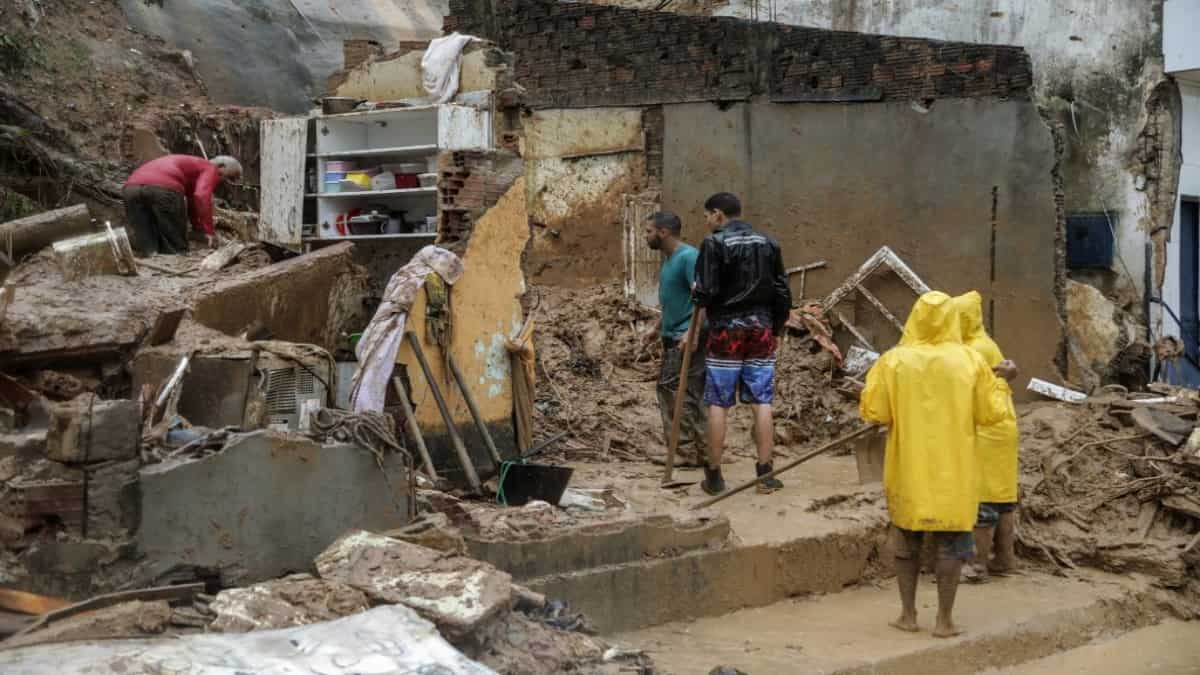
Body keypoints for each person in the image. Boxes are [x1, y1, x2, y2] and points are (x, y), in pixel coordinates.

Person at [860, 291, 1015, 638]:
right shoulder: (970, 362)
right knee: (951, 545)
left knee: (906, 541)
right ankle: (944, 621)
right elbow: (992, 415)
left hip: (908, 470)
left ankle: (908, 615)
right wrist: (1003, 382)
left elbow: (875, 412)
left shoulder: (893, 361)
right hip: (955, 473)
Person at [692, 193, 792, 496]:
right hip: (761, 328)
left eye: (708, 215)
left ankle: (714, 476)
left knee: (718, 402)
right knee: (762, 401)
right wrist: (775, 326)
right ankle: (765, 474)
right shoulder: (769, 243)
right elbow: (782, 290)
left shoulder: (714, 243)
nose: (707, 222)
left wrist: (697, 295)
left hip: (725, 330)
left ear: (719, 214)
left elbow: (706, 291)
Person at [954, 291, 1020, 582]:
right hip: (1004, 427)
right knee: (1003, 498)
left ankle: (977, 564)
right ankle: (1005, 559)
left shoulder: (973, 349)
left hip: (987, 430)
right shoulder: (985, 343)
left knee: (982, 499)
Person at [641, 211, 707, 467]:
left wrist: (692, 332)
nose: (646, 236)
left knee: (675, 391)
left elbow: (703, 298)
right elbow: (674, 301)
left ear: (663, 232)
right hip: (673, 334)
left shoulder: (688, 257)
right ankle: (699, 450)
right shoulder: (670, 260)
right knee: (681, 391)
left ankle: (685, 451)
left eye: (648, 231)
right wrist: (656, 327)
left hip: (685, 337)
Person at [123, 154, 243, 255]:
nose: (224, 182)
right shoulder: (209, 167)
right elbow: (201, 196)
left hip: (130, 188)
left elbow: (193, 201)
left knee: (145, 235)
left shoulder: (192, 168)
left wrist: (198, 227)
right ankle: (175, 261)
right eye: (229, 177)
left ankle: (152, 258)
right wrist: (209, 231)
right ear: (221, 166)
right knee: (175, 242)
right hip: (163, 187)